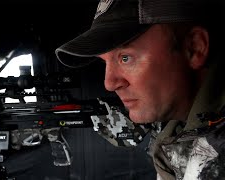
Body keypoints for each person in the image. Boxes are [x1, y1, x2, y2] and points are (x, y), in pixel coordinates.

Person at [55, 0, 225, 179]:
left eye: (126, 58)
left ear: (194, 47)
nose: (109, 83)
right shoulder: (174, 126)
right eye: (105, 62)